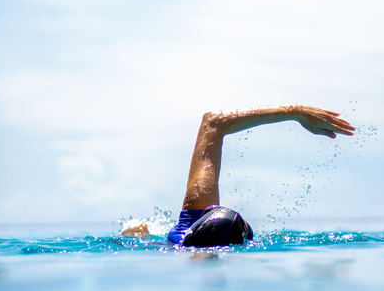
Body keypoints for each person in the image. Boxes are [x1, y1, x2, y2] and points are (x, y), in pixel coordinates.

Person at [122, 104, 355, 247]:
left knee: (134, 235)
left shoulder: (193, 214)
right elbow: (213, 121)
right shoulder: (202, 221)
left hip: (175, 243)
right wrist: (295, 112)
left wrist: (295, 112)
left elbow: (213, 122)